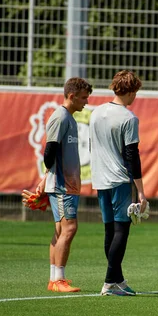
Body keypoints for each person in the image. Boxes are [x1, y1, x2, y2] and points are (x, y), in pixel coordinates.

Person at [89, 70, 147, 297]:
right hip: (120, 179)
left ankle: (118, 279)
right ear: (131, 91)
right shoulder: (129, 118)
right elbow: (132, 154)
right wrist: (141, 192)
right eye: (136, 92)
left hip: (100, 179)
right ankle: (109, 282)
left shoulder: (96, 112)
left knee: (109, 230)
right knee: (122, 230)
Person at [36, 77, 92, 293]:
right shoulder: (60, 117)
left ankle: (54, 279)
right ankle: (59, 278)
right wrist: (47, 179)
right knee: (69, 228)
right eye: (84, 97)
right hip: (62, 185)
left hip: (64, 184)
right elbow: (49, 152)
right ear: (72, 96)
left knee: (61, 230)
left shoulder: (67, 117)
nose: (86, 102)